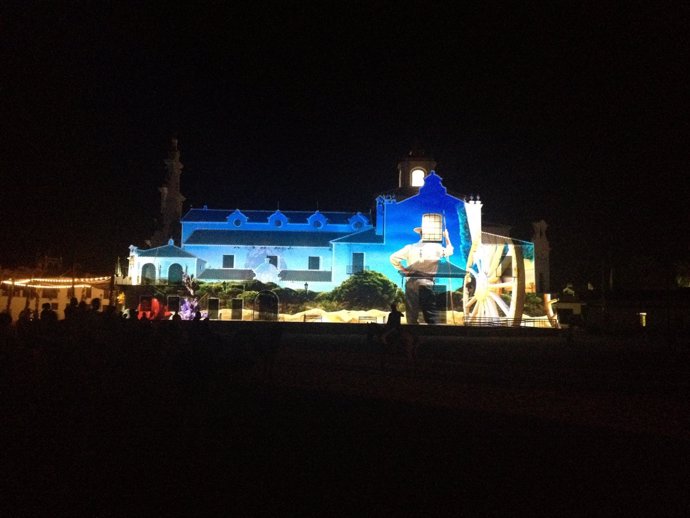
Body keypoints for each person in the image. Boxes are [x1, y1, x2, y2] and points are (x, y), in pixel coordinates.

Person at [390, 214, 453, 324]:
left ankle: (412, 335)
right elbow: (450, 251)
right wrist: (446, 237)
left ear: (420, 234)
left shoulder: (410, 247)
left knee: (411, 313)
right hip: (427, 283)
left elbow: (393, 258)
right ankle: (432, 338)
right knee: (430, 313)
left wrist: (403, 270)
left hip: (411, 282)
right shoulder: (437, 248)